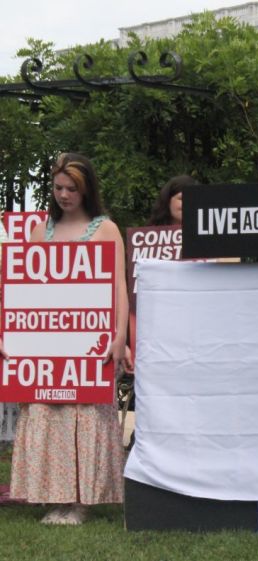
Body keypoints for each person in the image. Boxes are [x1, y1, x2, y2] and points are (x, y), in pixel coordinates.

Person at [1, 153, 131, 525]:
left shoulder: (106, 229)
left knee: (85, 414)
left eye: (72, 188)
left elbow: (118, 287)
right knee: (46, 412)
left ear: (86, 188)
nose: (64, 195)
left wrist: (119, 337)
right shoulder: (39, 232)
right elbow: (23, 289)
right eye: (58, 187)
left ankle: (80, 501)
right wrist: (11, 335)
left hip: (89, 340)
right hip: (47, 343)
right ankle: (51, 494)